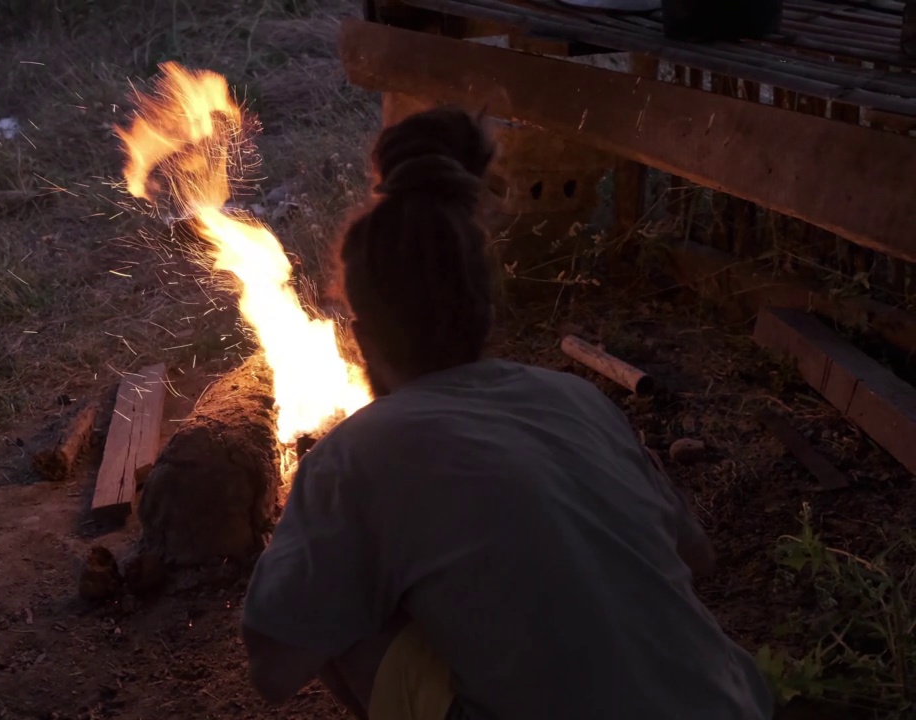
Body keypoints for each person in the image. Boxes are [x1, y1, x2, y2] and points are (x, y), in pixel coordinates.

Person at [239, 107, 775, 720]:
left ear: (360, 337)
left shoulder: (352, 455)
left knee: (345, 631)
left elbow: (274, 667)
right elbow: (695, 556)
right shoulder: (577, 398)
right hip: (731, 706)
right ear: (486, 314)